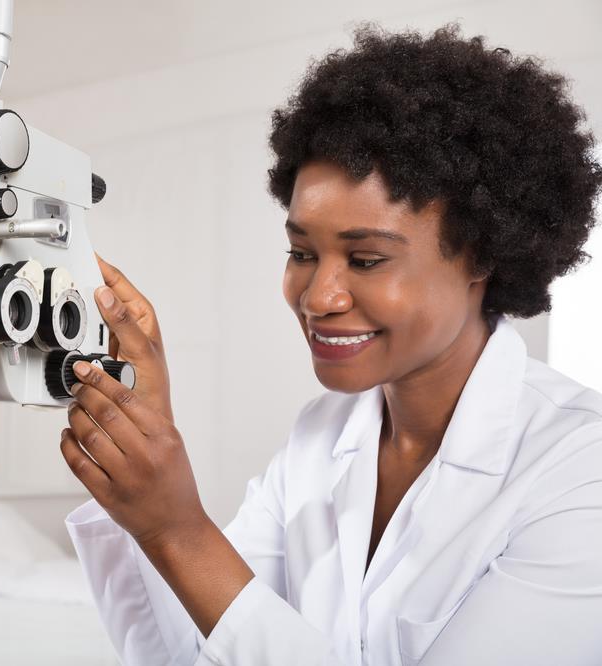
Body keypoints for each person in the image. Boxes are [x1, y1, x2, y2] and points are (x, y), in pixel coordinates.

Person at [61, 25, 602, 665]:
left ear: (481, 255)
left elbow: (203, 569)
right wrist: (144, 455)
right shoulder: (320, 439)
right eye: (301, 253)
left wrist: (179, 529)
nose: (318, 297)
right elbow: (192, 654)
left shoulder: (577, 471)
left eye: (367, 259)